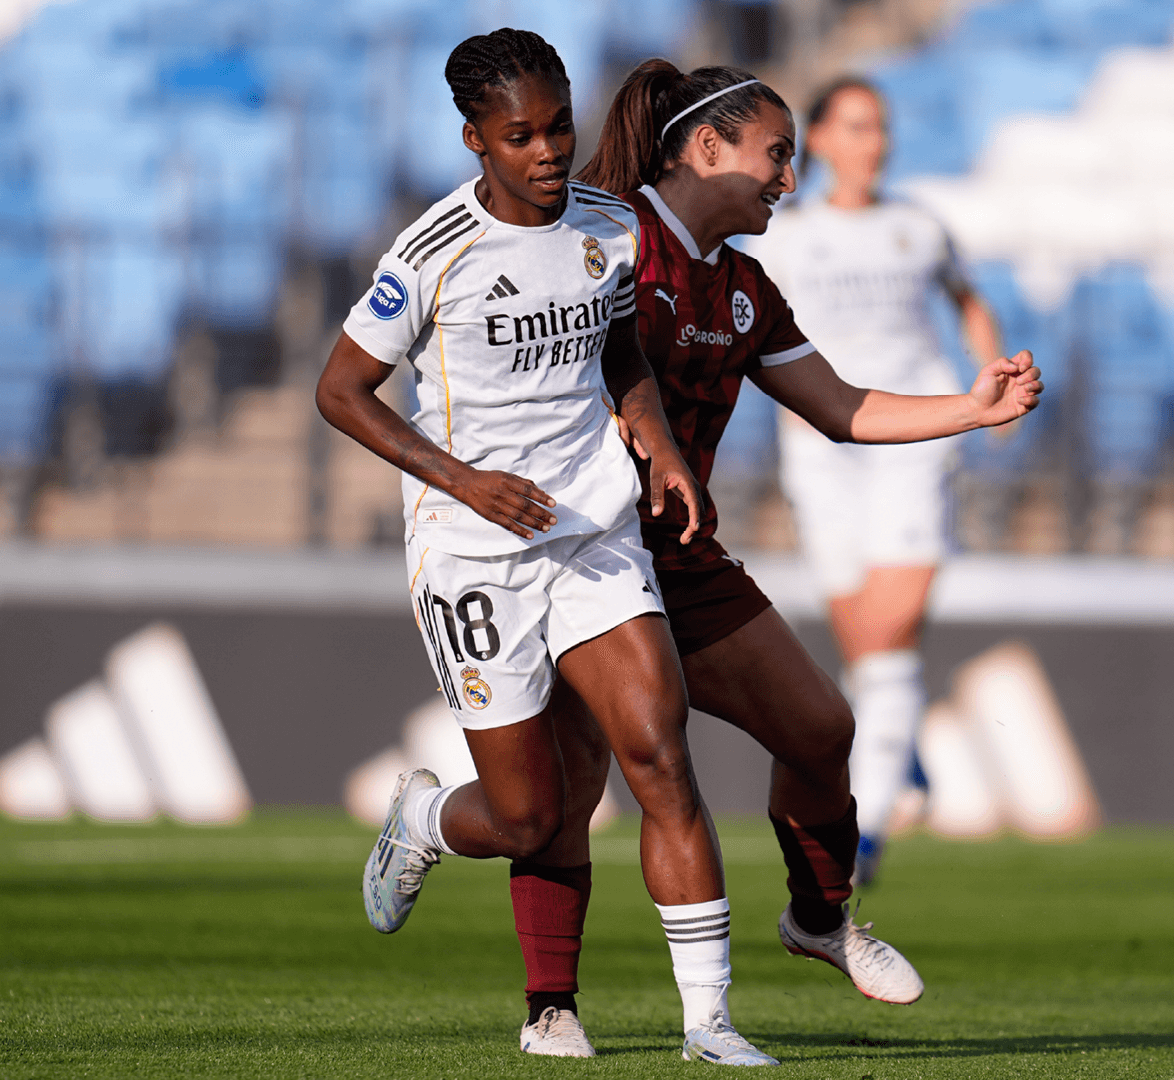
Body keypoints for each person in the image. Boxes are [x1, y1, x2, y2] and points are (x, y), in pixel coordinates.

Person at [476, 59, 1040, 1051]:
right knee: (569, 794)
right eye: (777, 155)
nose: (789, 177)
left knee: (820, 727)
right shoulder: (604, 238)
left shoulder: (743, 286)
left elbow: (840, 407)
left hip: (679, 554)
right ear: (706, 148)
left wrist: (971, 406)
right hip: (577, 552)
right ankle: (550, 1006)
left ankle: (820, 918)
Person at [316, 30, 780, 1066]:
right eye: (520, 135)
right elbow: (340, 391)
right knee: (531, 817)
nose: (548, 150)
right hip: (472, 552)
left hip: (593, 529)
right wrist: (464, 480)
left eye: (559, 127)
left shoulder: (609, 227)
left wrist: (657, 443)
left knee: (660, 753)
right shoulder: (431, 253)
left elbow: (619, 349)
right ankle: (429, 821)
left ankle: (708, 1021)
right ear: (475, 140)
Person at [752, 76, 1005, 885]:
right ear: (821, 139)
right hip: (822, 447)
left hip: (913, 437)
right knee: (866, 642)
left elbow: (968, 301)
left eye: (882, 127)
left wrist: (990, 372)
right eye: (857, 126)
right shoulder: (784, 236)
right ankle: (902, 744)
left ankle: (865, 831)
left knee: (890, 635)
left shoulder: (917, 226)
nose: (876, 142)